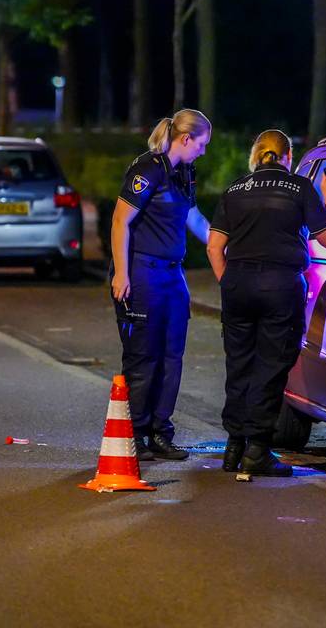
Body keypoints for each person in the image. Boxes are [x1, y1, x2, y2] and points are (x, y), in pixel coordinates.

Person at [207, 130, 326, 476]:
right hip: (280, 285)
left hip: (238, 283)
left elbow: (214, 246)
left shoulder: (235, 189)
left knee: (239, 363)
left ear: (256, 155)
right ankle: (258, 450)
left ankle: (233, 447)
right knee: (271, 365)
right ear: (287, 156)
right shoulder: (300, 188)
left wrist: (230, 282)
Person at [111, 109, 213, 461]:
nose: (203, 150)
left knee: (172, 356)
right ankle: (135, 432)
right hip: (143, 272)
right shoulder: (148, 169)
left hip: (172, 274)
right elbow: (121, 221)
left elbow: (193, 218)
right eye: (201, 144)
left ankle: (160, 431)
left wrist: (223, 242)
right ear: (185, 139)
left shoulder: (184, 172)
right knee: (143, 357)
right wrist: (121, 274)